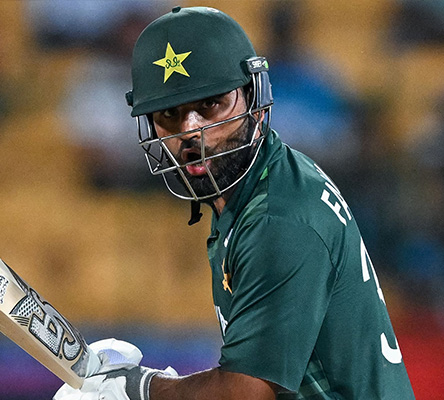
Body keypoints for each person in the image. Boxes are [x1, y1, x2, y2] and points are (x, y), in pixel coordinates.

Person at [54, 6, 415, 400]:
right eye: (169, 114)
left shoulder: (278, 219)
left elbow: (244, 393)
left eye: (210, 105)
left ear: (253, 95)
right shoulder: (262, 182)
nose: (192, 132)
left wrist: (140, 388)